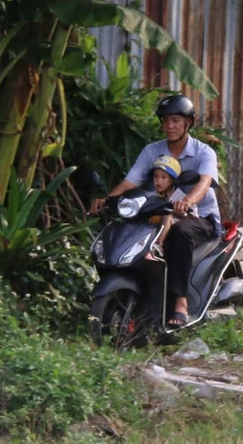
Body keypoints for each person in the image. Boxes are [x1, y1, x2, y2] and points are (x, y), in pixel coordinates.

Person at [91, 94, 221, 328]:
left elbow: (204, 184)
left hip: (200, 218)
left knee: (179, 233)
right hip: (157, 213)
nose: (169, 126)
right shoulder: (152, 151)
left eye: (176, 120)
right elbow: (130, 182)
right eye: (165, 120)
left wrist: (187, 201)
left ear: (188, 123)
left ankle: (180, 302)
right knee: (127, 228)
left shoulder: (204, 153)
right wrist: (107, 201)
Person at [145, 154, 197, 261]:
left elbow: (194, 216)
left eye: (163, 177)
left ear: (173, 180)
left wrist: (182, 212)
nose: (158, 181)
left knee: (167, 215)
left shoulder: (181, 197)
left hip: (175, 232)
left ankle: (158, 246)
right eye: (156, 176)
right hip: (154, 230)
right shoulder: (151, 196)